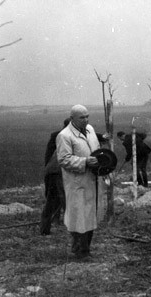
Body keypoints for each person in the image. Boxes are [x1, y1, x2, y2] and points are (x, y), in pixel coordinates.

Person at [56, 104, 103, 259]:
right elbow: (63, 159)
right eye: (81, 117)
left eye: (87, 116)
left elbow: (96, 150)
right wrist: (85, 162)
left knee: (90, 215)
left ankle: (82, 248)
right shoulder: (65, 136)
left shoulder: (90, 130)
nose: (85, 119)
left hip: (93, 179)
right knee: (79, 216)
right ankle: (82, 251)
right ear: (72, 118)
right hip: (77, 182)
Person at [39, 118, 70, 235]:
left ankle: (44, 229)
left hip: (51, 171)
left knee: (51, 200)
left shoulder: (62, 136)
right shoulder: (68, 137)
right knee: (66, 198)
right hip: (58, 171)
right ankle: (74, 230)